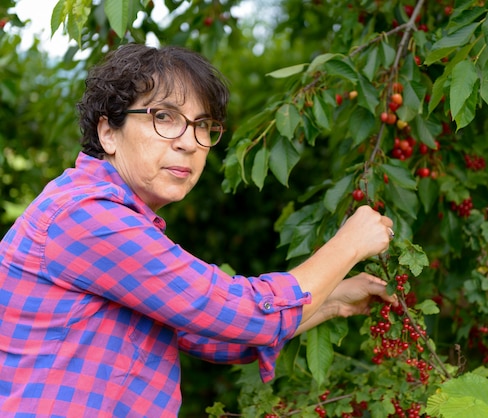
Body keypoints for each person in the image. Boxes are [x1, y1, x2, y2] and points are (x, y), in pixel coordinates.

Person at [0, 43, 396, 417]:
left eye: (203, 126)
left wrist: (335, 299)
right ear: (108, 133)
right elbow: (248, 315)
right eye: (164, 117)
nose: (189, 142)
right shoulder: (87, 218)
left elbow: (220, 334)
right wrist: (349, 243)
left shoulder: (117, 223)